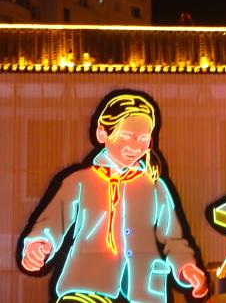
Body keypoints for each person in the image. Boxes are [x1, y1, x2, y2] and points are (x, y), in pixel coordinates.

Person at [19, 91, 208, 302]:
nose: (135, 146)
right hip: (85, 288)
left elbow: (174, 239)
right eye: (126, 136)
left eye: (143, 139)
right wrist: (38, 246)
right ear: (102, 134)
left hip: (144, 293)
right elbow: (53, 222)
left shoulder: (156, 187)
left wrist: (186, 268)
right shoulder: (79, 181)